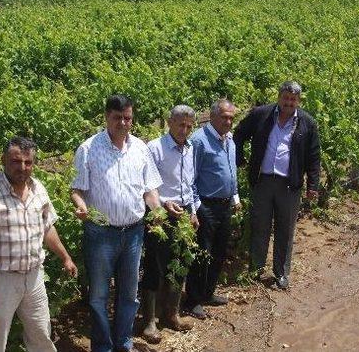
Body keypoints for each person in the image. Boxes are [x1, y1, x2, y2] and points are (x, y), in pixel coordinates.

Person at [0, 136, 78, 352]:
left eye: (28, 162)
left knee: (41, 336)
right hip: (1, 280)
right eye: (16, 162)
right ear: (3, 160)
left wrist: (65, 257)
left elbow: (47, 228)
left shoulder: (38, 189)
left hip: (34, 278)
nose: (22, 168)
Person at [70, 95, 162, 352]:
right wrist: (81, 205)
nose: (123, 123)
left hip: (133, 232)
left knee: (129, 293)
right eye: (117, 117)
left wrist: (158, 212)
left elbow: (150, 189)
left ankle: (123, 341)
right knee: (99, 295)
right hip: (100, 234)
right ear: (106, 118)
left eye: (128, 118)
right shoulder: (88, 149)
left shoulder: (140, 148)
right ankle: (102, 346)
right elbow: (76, 189)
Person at [233, 81, 320, 290]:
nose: (289, 102)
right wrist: (239, 159)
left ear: (298, 101)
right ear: (279, 97)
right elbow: (239, 134)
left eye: (293, 99)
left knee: (285, 229)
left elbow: (314, 156)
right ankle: (256, 269)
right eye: (285, 98)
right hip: (262, 181)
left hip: (290, 185)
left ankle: (281, 273)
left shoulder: (308, 123)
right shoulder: (261, 114)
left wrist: (313, 186)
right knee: (260, 226)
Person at [141, 105, 199, 343]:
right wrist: (164, 204)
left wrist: (193, 211)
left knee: (180, 262)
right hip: (160, 213)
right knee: (155, 264)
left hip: (184, 213)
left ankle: (172, 314)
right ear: (169, 122)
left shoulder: (191, 148)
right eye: (180, 124)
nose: (184, 130)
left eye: (188, 126)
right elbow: (146, 185)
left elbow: (189, 185)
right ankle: (149, 321)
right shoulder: (154, 148)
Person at [184, 99, 241, 320]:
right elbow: (191, 177)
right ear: (213, 116)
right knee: (202, 253)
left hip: (225, 204)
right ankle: (193, 299)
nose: (228, 121)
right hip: (205, 205)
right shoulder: (199, 140)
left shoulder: (229, 140)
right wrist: (196, 207)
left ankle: (208, 293)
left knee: (218, 251)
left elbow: (231, 170)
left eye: (231, 118)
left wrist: (235, 197)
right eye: (224, 117)